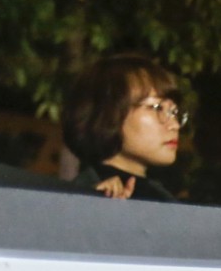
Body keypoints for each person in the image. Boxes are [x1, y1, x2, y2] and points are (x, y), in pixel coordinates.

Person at [63, 54, 187, 201]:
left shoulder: (159, 196)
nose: (174, 125)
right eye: (157, 107)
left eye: (173, 112)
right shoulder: (84, 198)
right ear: (108, 114)